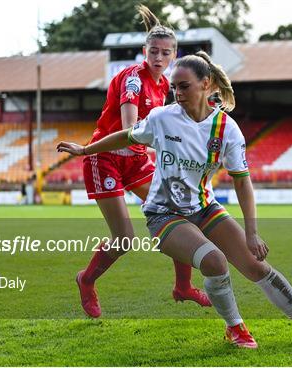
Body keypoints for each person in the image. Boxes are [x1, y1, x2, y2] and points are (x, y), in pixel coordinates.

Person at [58, 51, 292, 348]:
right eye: (174, 88)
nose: (177, 93)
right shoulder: (162, 118)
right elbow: (127, 136)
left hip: (205, 208)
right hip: (164, 215)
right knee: (215, 261)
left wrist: (252, 232)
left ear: (206, 84)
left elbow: (242, 181)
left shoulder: (227, 129)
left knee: (256, 267)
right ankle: (235, 327)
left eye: (184, 86)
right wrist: (86, 150)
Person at [75, 5, 210, 318]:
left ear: (174, 54)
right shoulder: (133, 79)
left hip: (135, 161)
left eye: (165, 53)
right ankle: (86, 279)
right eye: (154, 52)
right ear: (144, 51)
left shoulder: (165, 84)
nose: (159, 58)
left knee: (180, 215)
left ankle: (183, 288)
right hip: (105, 157)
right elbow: (131, 128)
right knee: (124, 239)